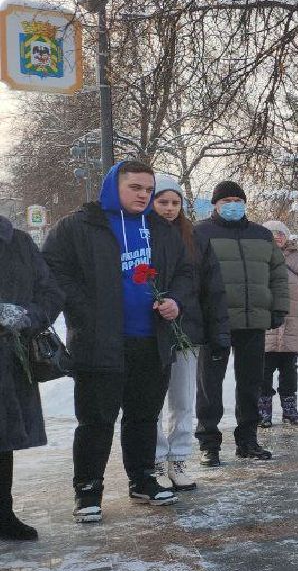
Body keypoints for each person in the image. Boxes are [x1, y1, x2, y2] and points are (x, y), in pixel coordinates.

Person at [43, 160, 197, 520]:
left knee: (144, 417)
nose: (144, 195)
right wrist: (86, 309)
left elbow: (186, 272)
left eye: (148, 189)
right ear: (115, 187)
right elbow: (52, 270)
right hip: (99, 343)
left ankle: (143, 480)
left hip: (151, 341)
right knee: (96, 419)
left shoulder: (160, 229)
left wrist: (175, 300)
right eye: (136, 188)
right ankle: (87, 490)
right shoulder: (78, 226)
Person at [194, 181, 289, 465]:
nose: (232, 205)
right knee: (209, 384)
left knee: (251, 384)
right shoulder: (200, 233)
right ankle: (209, 443)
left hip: (252, 321)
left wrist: (279, 307)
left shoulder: (261, 235)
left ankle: (248, 440)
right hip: (216, 322)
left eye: (237, 199)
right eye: (226, 200)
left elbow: (278, 274)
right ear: (215, 204)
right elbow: (192, 276)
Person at [151, 176, 229, 492]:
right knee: (152, 402)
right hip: (150, 333)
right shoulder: (140, 236)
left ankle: (179, 459)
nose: (169, 209)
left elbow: (213, 289)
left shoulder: (195, 239)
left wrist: (217, 332)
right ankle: (155, 461)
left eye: (175, 202)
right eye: (162, 202)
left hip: (187, 331)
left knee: (182, 400)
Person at [0, 213, 65, 540]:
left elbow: (51, 293)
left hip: (9, 359)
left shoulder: (19, 243)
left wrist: (25, 315)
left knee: (3, 440)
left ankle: (3, 513)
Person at [260, 220, 298, 427]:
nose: (277, 236)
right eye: (272, 233)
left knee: (289, 369)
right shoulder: (258, 257)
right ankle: (263, 410)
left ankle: (289, 408)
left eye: (281, 233)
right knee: (263, 370)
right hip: (265, 326)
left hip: (293, 326)